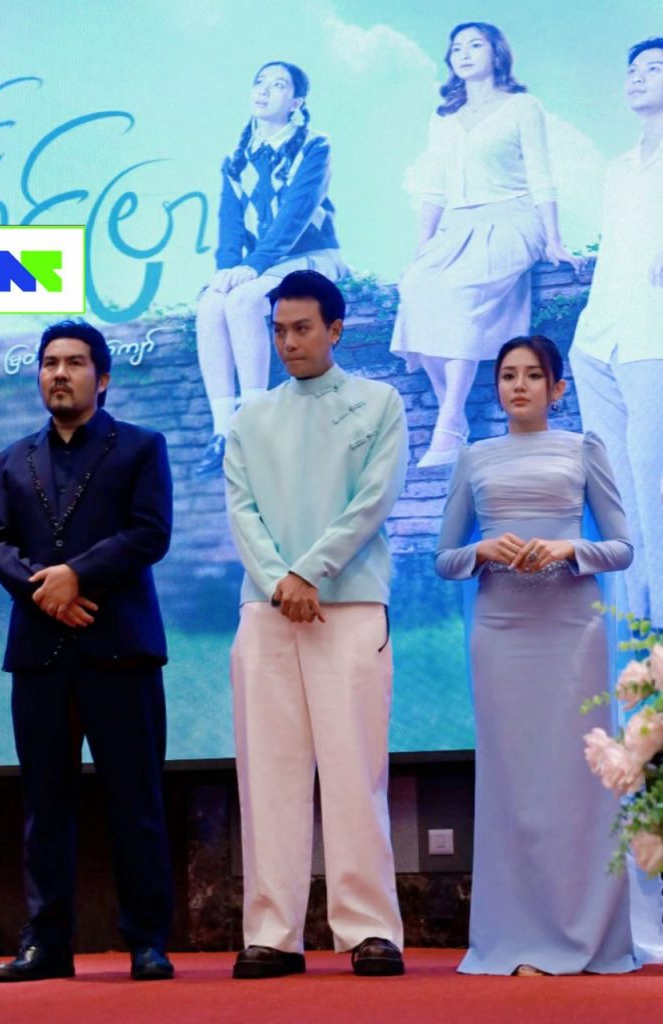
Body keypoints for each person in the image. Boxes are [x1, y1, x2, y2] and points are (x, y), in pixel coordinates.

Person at [0, 321, 175, 982]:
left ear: (104, 376)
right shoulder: (12, 459)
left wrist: (77, 576)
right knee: (45, 805)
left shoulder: (140, 447)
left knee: (136, 801)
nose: (59, 373)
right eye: (49, 363)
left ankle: (146, 941)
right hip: (40, 655)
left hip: (121, 650)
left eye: (75, 363)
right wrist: (48, 591)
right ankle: (46, 944)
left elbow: (149, 533)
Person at [435, 335, 638, 975]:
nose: (517, 386)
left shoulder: (582, 448)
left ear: (557, 388)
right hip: (501, 630)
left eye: (531, 375)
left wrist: (567, 549)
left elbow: (623, 546)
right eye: (507, 376)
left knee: (577, 781)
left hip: (572, 630)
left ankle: (587, 937)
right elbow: (444, 558)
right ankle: (516, 938)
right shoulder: (474, 457)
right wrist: (481, 551)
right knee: (512, 785)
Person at [224, 270, 407, 979]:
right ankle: (273, 933)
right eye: (278, 330)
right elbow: (242, 511)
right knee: (267, 773)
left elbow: (373, 501)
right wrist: (280, 580)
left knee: (354, 769)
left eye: (301, 328)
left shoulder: (378, 402)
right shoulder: (250, 417)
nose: (287, 342)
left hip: (349, 606)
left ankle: (369, 929)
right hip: (266, 609)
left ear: (335, 329)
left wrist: (310, 572)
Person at [391, 22, 580, 467]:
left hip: (512, 220)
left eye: (475, 45)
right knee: (416, 287)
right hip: (457, 226)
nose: (464, 53)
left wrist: (553, 238)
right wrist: (422, 249)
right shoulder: (443, 118)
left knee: (460, 293)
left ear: (496, 53)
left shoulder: (522, 107)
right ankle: (453, 417)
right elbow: (434, 189)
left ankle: (447, 425)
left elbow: (541, 175)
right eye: (457, 47)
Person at [195, 60, 344, 477]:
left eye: (278, 85)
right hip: (260, 264)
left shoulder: (313, 145)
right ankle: (223, 431)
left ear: (296, 101)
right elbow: (229, 222)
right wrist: (227, 268)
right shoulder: (236, 157)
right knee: (211, 304)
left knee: (243, 301)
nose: (263, 90)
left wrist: (255, 265)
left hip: (309, 256)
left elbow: (296, 214)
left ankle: (256, 421)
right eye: (259, 82)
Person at [570, 37, 663, 628]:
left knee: (654, 478)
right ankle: (638, 626)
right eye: (633, 69)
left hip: (654, 337)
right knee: (616, 490)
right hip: (600, 337)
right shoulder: (618, 168)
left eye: (654, 68)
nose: (638, 77)